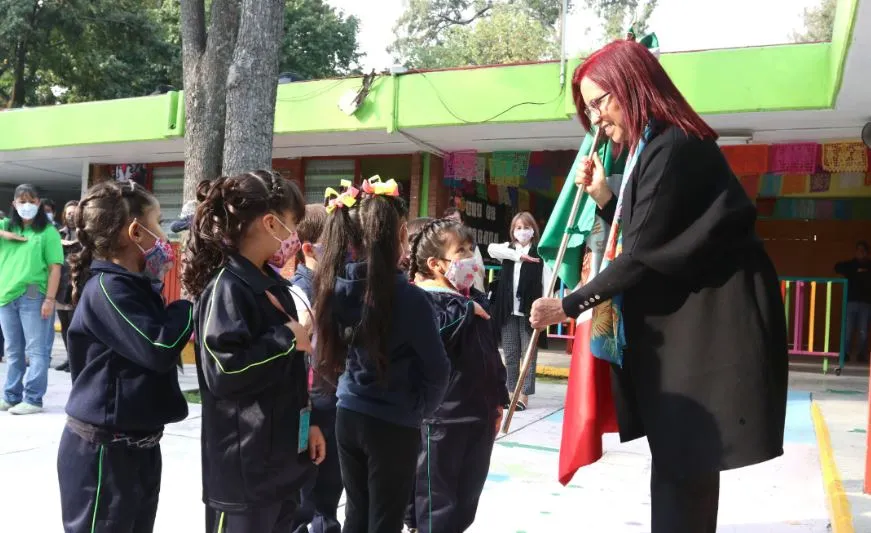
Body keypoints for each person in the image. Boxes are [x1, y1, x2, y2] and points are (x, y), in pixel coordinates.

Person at [529, 39, 788, 533]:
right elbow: (654, 233)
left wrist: (568, 305)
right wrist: (605, 195)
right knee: (678, 458)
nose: (597, 120)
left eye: (600, 102)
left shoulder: (673, 144)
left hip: (711, 325)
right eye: (588, 110)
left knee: (685, 458)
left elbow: (644, 252)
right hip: (689, 321)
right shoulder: (656, 145)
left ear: (633, 85)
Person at [183, 171, 325, 533]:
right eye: (293, 224)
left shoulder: (272, 285)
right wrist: (284, 339)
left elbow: (289, 374)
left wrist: (306, 424)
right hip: (243, 475)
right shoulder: (227, 287)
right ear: (270, 222)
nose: (295, 235)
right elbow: (224, 372)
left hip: (280, 466)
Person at [313, 180, 450, 533]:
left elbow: (327, 360)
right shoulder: (412, 300)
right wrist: (420, 411)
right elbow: (437, 371)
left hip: (348, 414)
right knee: (386, 520)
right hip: (393, 422)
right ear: (401, 234)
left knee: (356, 513)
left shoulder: (334, 289)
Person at [57, 181, 192, 532]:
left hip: (137, 446)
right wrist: (189, 306)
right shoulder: (107, 289)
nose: (164, 234)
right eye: (159, 222)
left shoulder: (133, 285)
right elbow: (159, 347)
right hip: (105, 453)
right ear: (136, 231)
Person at [406, 219, 508, 533]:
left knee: (466, 500)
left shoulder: (473, 299)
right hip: (441, 420)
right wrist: (462, 312)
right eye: (459, 251)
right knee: (436, 501)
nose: (469, 258)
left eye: (470, 249)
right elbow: (431, 338)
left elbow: (491, 355)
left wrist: (499, 398)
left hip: (478, 415)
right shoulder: (423, 300)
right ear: (435, 264)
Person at [288, 204, 343, 533]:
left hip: (332, 399)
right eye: (335, 244)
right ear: (308, 249)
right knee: (308, 500)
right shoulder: (297, 294)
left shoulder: (332, 288)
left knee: (328, 494)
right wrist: (306, 416)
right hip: (311, 406)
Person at [0, 184, 64, 415]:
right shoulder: (6, 227)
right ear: (14, 205)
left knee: (36, 351)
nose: (26, 205)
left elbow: (55, 268)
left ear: (38, 203)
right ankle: (10, 396)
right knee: (13, 351)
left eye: (31, 201)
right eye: (21, 201)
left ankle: (33, 398)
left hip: (33, 295)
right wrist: (4, 233)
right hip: (6, 296)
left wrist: (49, 299)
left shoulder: (47, 232)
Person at [487, 212, 552, 411]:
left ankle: (523, 395)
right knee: (511, 353)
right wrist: (519, 256)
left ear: (533, 230)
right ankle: (511, 392)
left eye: (526, 227)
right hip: (508, 310)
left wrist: (546, 310)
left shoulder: (540, 253)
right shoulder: (507, 250)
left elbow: (547, 283)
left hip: (529, 311)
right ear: (513, 231)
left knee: (529, 353)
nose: (522, 231)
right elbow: (491, 249)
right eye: (518, 228)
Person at [55, 200, 81, 373]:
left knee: (74, 326)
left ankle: (77, 359)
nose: (71, 215)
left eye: (74, 212)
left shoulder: (85, 235)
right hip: (60, 285)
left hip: (76, 285)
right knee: (64, 324)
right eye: (68, 212)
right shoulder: (59, 234)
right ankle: (69, 358)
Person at [834, 241, 871, 362]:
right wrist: (854, 270)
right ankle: (845, 354)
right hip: (850, 302)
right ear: (856, 252)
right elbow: (837, 267)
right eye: (858, 250)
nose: (860, 252)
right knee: (848, 331)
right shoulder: (851, 264)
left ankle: (861, 354)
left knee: (863, 332)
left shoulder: (870, 265)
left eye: (863, 250)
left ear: (866, 252)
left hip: (866, 303)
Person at [443, 207, 486, 292]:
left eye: (455, 219)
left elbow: (479, 269)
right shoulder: (439, 242)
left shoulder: (471, 245)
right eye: (448, 219)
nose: (451, 223)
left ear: (462, 223)